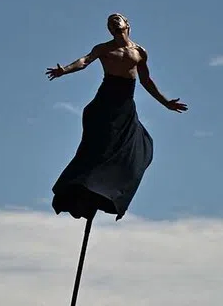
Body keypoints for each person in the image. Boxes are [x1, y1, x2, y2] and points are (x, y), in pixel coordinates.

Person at [45, 13, 187, 220]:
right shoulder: (103, 48)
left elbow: (146, 81)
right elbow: (85, 61)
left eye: (116, 20)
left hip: (125, 101)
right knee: (100, 143)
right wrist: (64, 70)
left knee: (138, 144)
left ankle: (111, 187)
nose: (113, 23)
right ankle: (82, 183)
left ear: (127, 24)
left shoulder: (139, 52)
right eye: (109, 23)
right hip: (106, 98)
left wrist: (166, 102)